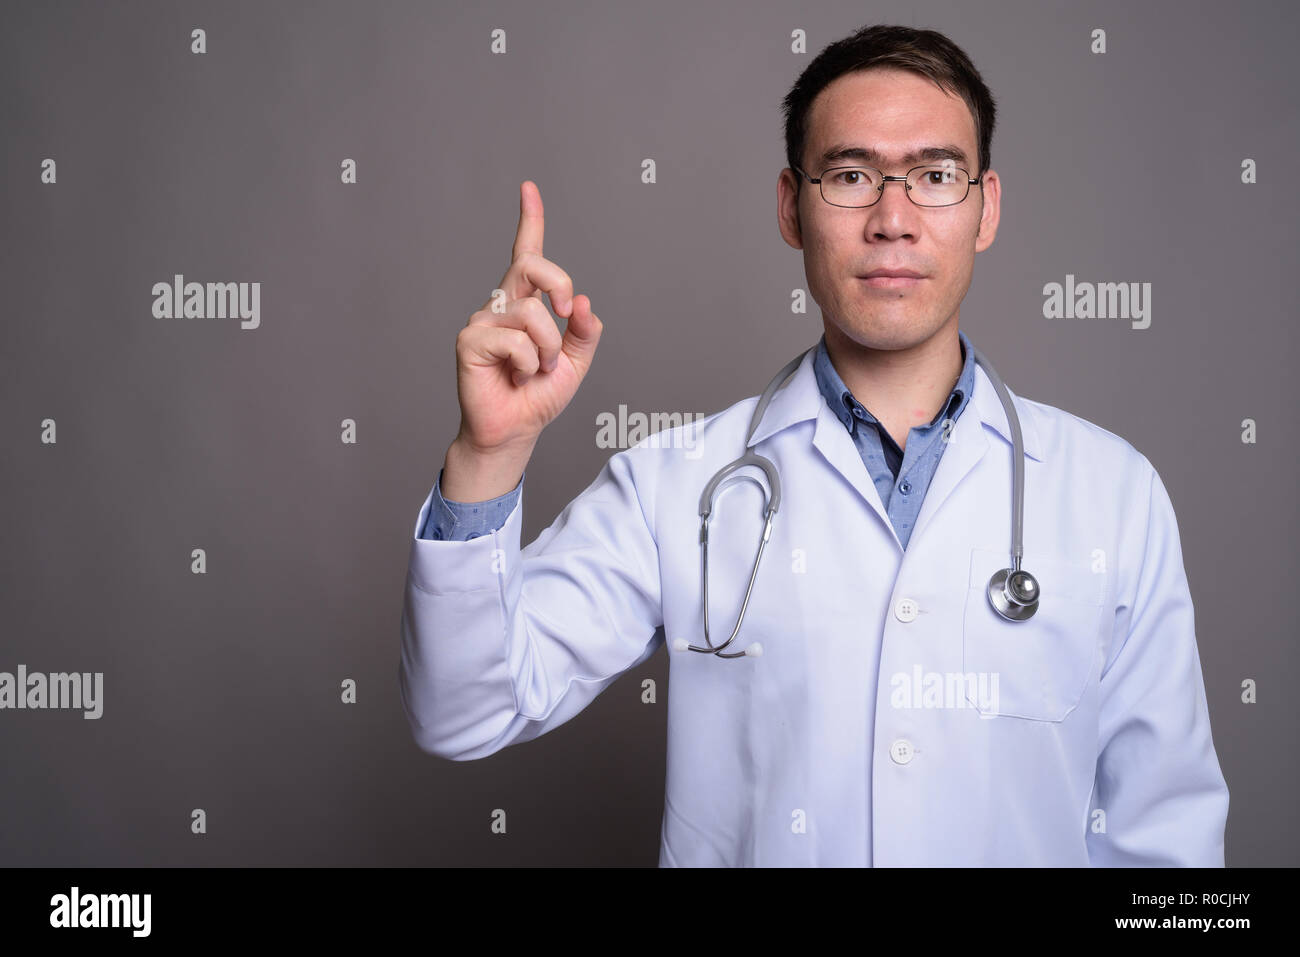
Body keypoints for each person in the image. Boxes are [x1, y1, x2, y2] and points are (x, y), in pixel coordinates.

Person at [398, 23, 1229, 866]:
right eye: (852, 175)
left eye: (936, 176)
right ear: (793, 207)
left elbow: (1168, 841)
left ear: (987, 208)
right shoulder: (678, 484)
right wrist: (488, 455)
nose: (893, 219)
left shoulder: (1114, 493)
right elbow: (463, 712)